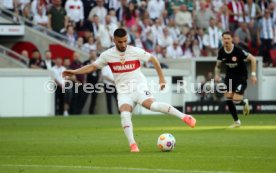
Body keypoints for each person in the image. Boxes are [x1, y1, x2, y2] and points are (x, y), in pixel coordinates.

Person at [63, 28, 196, 153]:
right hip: (123, 91)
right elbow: (93, 67)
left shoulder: (134, 51)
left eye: (125, 40)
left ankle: (185, 117)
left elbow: (154, 60)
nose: (123, 44)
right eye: (120, 41)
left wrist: (162, 78)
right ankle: (133, 144)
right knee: (125, 114)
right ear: (114, 40)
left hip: (139, 86)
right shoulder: (107, 55)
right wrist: (74, 71)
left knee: (153, 106)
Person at [214, 31, 257, 128]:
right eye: (225, 39)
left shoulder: (238, 50)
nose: (226, 40)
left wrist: (253, 75)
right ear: (222, 40)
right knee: (228, 98)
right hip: (229, 77)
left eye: (228, 38)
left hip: (241, 77)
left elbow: (253, 59)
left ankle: (244, 102)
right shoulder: (221, 51)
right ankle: (237, 122)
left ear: (231, 39)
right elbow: (217, 66)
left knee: (236, 99)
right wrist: (216, 75)